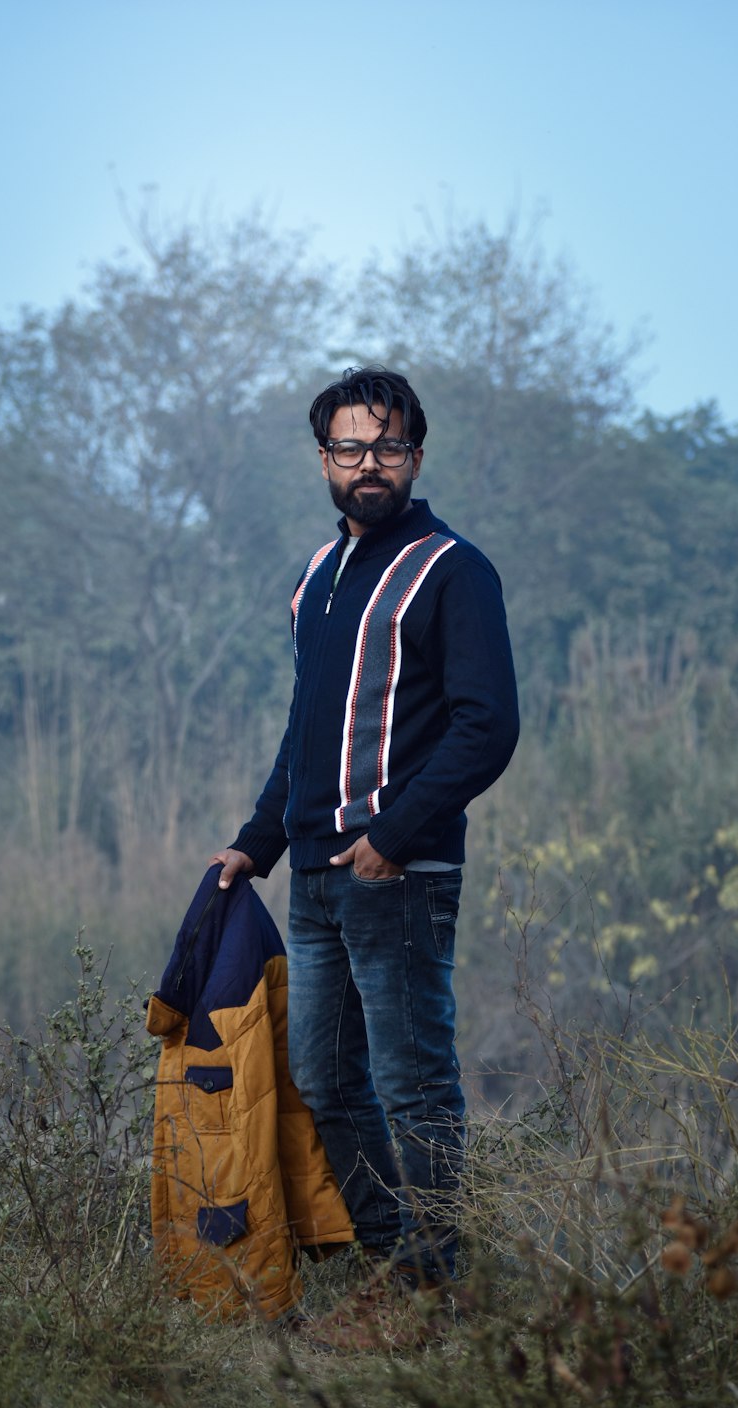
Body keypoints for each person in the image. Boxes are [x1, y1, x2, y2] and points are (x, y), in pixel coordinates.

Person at [213, 367, 519, 1308]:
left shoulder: (453, 569)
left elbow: (487, 726)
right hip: (312, 877)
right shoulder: (318, 574)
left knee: (413, 1083)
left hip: (399, 873)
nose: (369, 463)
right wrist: (253, 844)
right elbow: (306, 731)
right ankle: (395, 1264)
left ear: (416, 457)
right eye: (350, 447)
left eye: (388, 446)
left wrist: (392, 833)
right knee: (324, 1078)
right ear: (323, 462)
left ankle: (435, 1285)